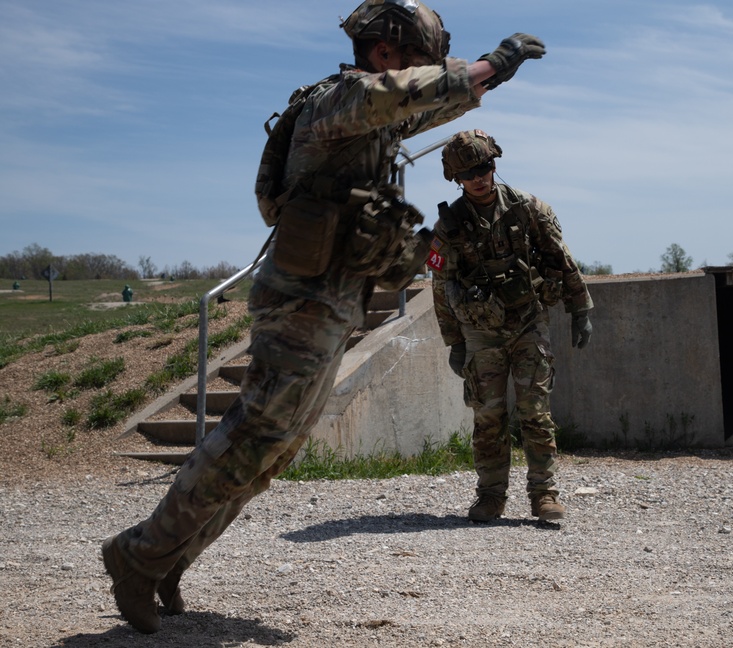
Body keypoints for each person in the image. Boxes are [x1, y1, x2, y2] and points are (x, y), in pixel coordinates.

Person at [101, 0, 546, 634]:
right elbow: (416, 92)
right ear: (384, 54)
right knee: (255, 434)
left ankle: (170, 556)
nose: (420, 72)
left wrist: (492, 79)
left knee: (273, 452)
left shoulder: (374, 117)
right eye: (415, 60)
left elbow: (433, 102)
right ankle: (137, 556)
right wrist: (486, 64)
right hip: (301, 297)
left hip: (337, 293)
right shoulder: (342, 100)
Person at [428, 129, 593, 523]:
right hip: (480, 331)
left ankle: (544, 495)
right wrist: (454, 342)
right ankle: (490, 497)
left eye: (484, 167)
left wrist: (580, 308)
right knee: (487, 415)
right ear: (456, 178)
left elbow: (561, 256)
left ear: (494, 164)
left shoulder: (528, 208)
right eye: (469, 173)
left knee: (535, 409)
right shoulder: (448, 227)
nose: (479, 177)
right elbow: (440, 284)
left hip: (528, 321)